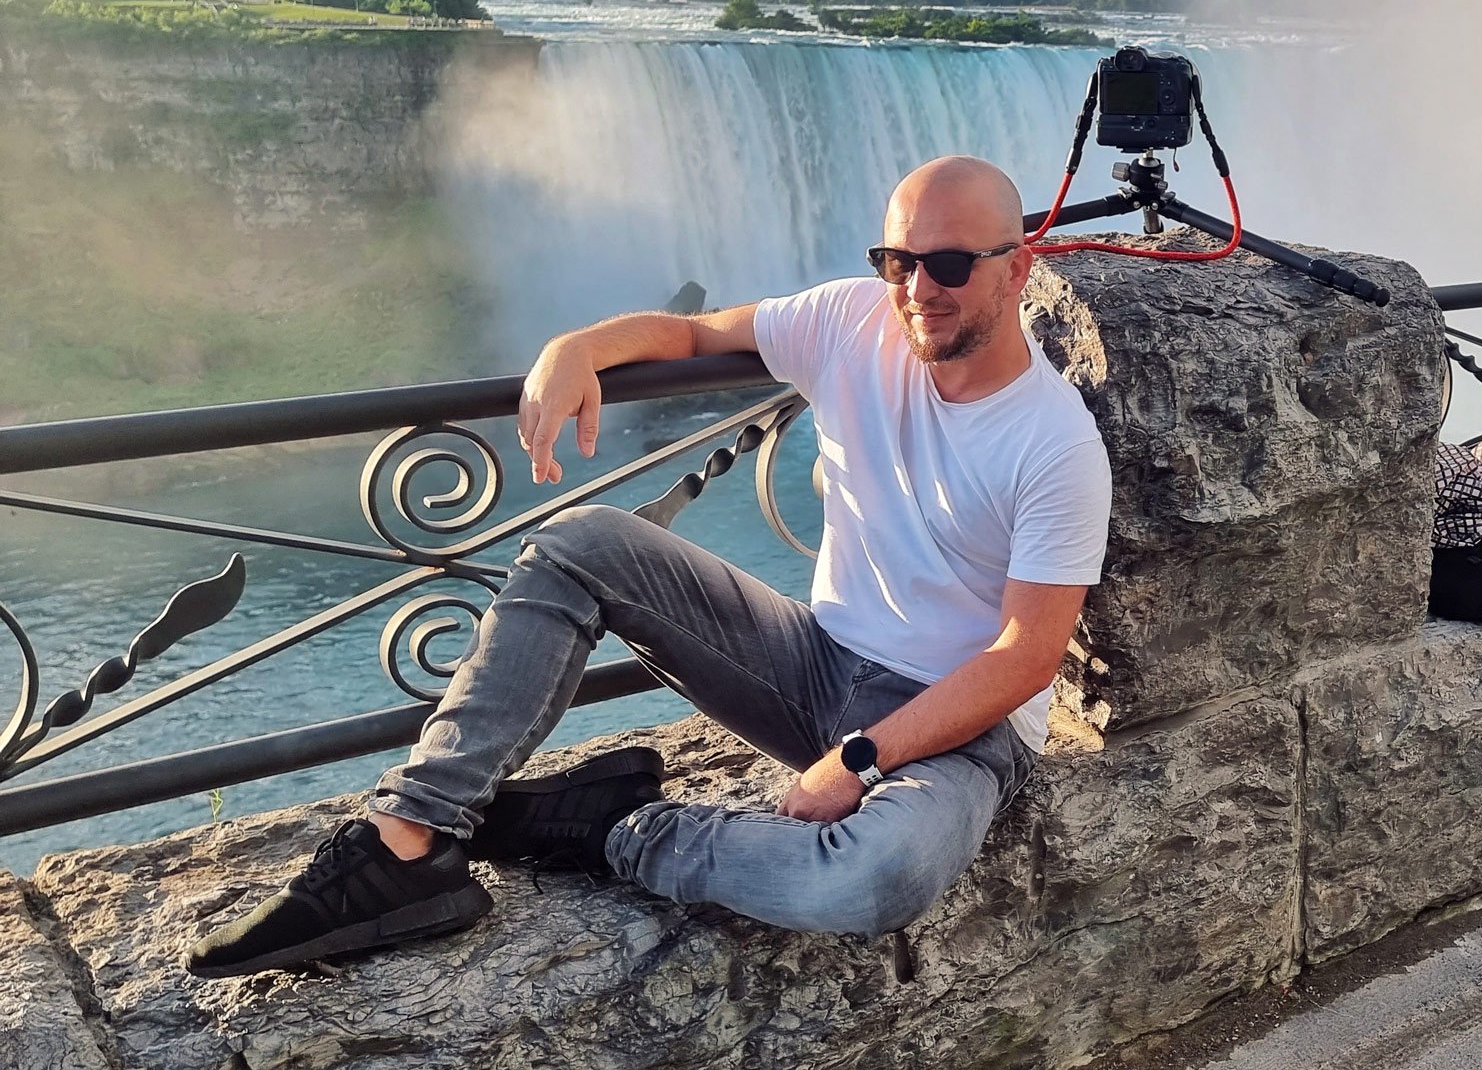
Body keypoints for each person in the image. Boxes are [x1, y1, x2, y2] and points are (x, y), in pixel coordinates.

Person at [185, 155, 1113, 978]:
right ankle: (408, 836)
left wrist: (861, 757)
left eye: (948, 264)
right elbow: (699, 335)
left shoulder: (1053, 441)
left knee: (877, 878)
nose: (917, 288)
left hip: (959, 728)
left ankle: (608, 827)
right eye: (897, 260)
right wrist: (577, 347)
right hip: (819, 663)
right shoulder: (850, 319)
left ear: (1017, 266)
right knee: (581, 539)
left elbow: (1025, 658)